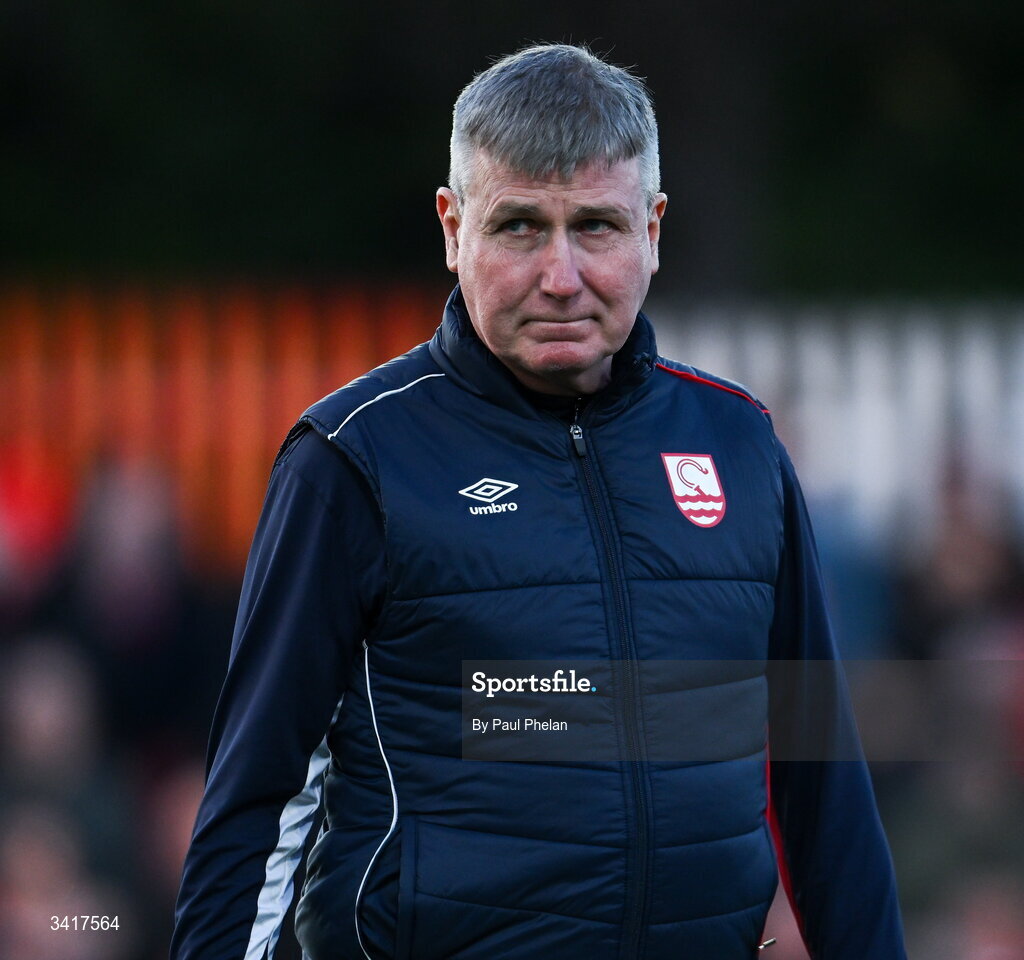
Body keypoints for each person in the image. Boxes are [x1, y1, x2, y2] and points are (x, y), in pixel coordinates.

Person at [171, 44, 906, 960]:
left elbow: (819, 775)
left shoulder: (738, 444)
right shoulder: (354, 459)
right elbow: (257, 798)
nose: (561, 276)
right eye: (520, 227)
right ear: (452, 226)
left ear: (655, 228)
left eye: (596, 226)